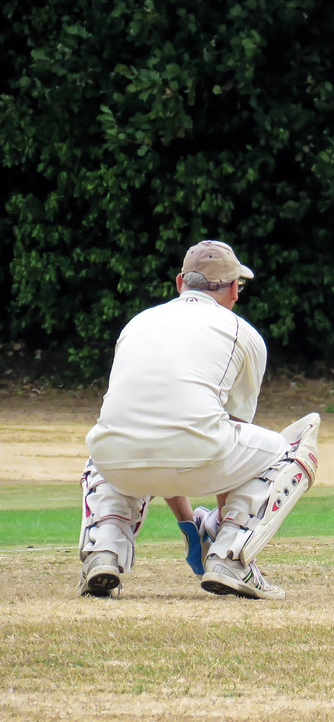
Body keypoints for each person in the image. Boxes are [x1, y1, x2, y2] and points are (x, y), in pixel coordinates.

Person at [78, 240, 320, 599]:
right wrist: (219, 529)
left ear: (180, 283)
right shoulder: (243, 333)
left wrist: (187, 522)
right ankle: (230, 558)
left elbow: (157, 429)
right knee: (292, 450)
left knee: (111, 442)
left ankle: (104, 550)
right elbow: (234, 429)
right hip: (198, 453)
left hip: (118, 461)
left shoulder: (136, 324)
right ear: (234, 288)